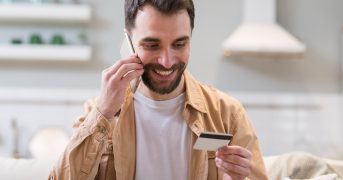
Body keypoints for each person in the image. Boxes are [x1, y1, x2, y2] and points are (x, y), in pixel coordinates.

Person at [49, 0, 268, 179]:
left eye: (179, 44)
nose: (166, 61)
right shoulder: (99, 112)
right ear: (129, 41)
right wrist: (102, 113)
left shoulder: (227, 113)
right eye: (152, 45)